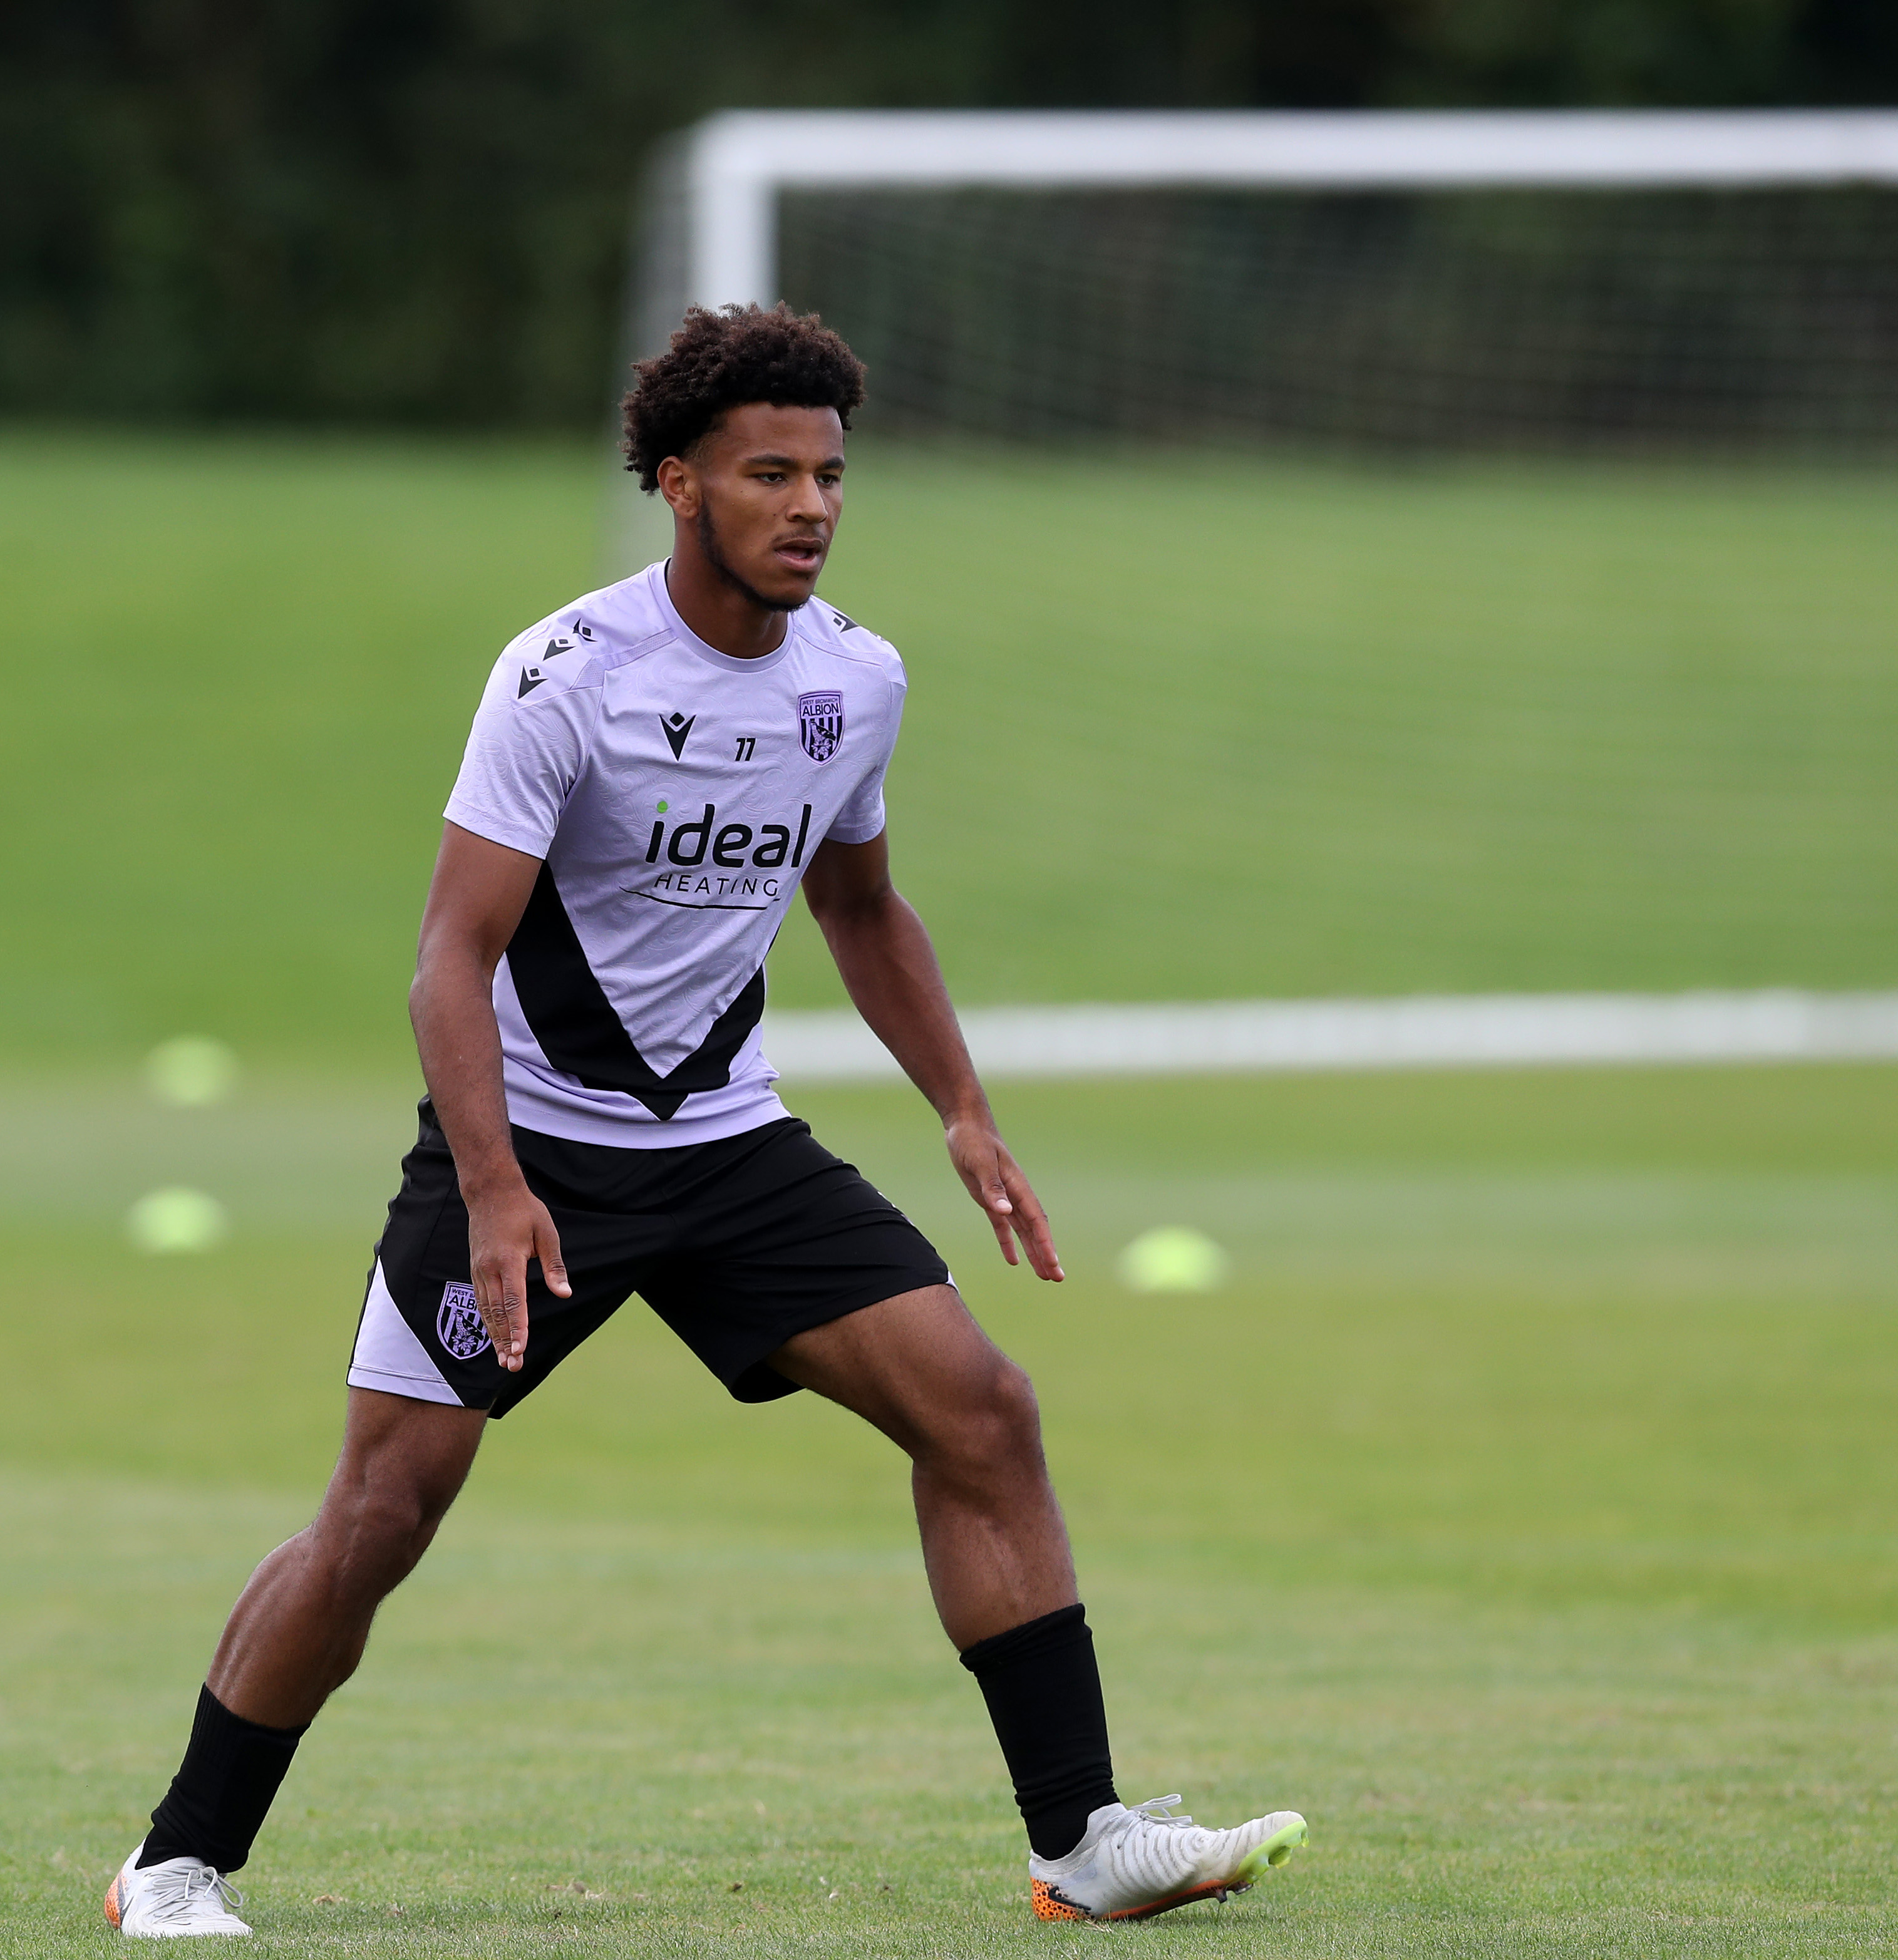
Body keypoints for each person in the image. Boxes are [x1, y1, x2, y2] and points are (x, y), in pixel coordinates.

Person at [103, 304, 1306, 1937]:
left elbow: (866, 909)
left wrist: (964, 1108)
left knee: (983, 1411)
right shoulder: (565, 677)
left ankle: (1083, 1839)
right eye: (768, 474)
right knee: (383, 1513)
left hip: (731, 1153)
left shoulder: (857, 680)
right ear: (680, 485)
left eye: (828, 475)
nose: (809, 505)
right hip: (525, 1153)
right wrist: (497, 1185)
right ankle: (175, 1859)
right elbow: (447, 963)